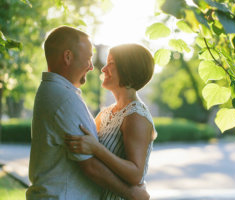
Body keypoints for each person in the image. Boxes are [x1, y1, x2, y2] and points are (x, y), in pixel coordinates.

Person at [26, 26, 149, 200]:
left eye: (110, 64)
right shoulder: (65, 99)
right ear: (68, 57)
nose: (94, 67)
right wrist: (132, 194)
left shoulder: (58, 93)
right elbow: (90, 165)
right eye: (89, 58)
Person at [64, 43, 157, 199]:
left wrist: (96, 149)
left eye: (111, 63)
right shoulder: (106, 113)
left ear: (128, 68)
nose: (103, 68)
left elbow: (135, 174)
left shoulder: (136, 116)